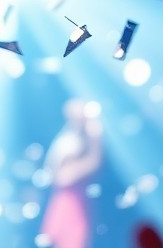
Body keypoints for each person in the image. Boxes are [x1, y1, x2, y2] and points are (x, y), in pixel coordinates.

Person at [40, 99, 103, 248]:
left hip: (76, 199)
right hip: (62, 197)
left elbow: (95, 161)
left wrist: (71, 174)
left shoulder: (91, 133)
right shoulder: (69, 134)